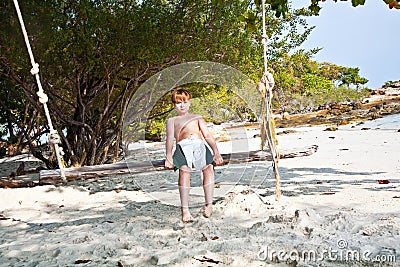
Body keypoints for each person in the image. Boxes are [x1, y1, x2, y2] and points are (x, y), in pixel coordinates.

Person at [165, 89, 223, 223]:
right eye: (178, 103)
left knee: (208, 168)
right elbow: (169, 139)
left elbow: (207, 135)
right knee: (184, 172)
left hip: (199, 145)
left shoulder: (197, 117)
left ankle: (209, 204)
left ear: (189, 103)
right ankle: (185, 209)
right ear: (174, 105)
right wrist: (168, 156)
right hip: (183, 145)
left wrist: (216, 152)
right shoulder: (172, 120)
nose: (182, 105)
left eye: (184, 102)